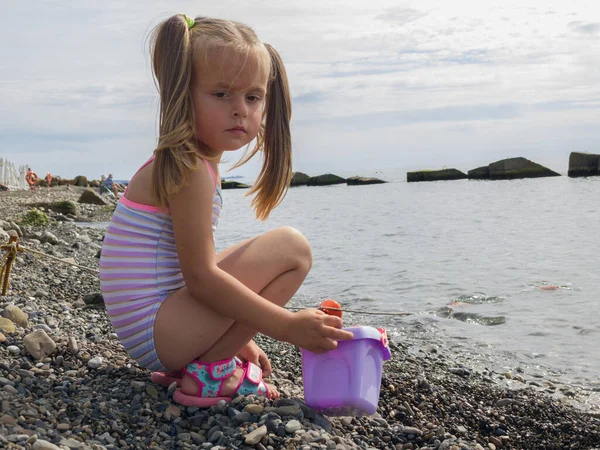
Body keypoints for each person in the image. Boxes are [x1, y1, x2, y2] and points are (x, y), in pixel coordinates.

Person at [99, 14, 352, 407]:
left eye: (252, 97)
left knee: (240, 256)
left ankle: (207, 358)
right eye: (221, 94)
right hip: (158, 332)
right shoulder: (191, 168)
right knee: (292, 250)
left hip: (155, 329)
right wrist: (286, 326)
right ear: (184, 94)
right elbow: (200, 278)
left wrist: (241, 336)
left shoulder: (190, 162)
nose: (240, 110)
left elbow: (187, 270)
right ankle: (211, 371)